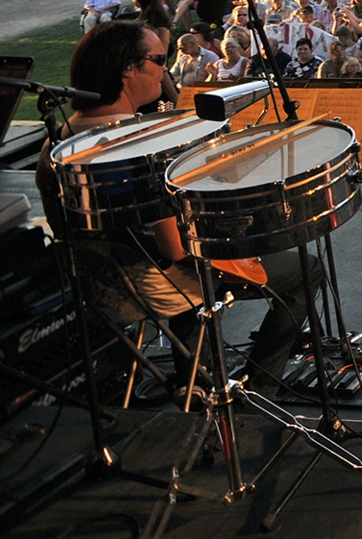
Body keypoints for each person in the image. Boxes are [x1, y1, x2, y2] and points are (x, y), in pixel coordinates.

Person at [40, 22, 315, 397]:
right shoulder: (136, 147)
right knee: (304, 269)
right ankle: (257, 391)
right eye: (158, 60)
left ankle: (195, 375)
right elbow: (177, 250)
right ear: (128, 69)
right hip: (147, 285)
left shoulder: (57, 143)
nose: (165, 70)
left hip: (89, 280)